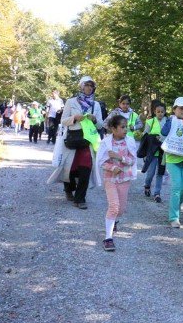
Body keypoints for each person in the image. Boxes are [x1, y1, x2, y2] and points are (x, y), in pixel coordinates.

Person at [55, 76, 103, 209]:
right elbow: (63, 121)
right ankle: (69, 188)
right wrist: (75, 117)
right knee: (70, 168)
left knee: (86, 169)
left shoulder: (96, 105)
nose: (89, 88)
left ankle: (80, 198)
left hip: (88, 141)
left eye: (91, 85)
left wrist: (94, 120)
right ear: (81, 86)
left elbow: (100, 125)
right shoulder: (71, 102)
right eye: (86, 85)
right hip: (73, 138)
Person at [96, 115, 137, 251]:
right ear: (113, 129)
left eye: (126, 127)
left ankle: (115, 221)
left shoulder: (130, 142)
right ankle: (108, 238)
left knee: (121, 209)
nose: (125, 129)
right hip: (110, 178)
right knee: (114, 206)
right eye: (122, 127)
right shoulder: (106, 143)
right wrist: (113, 168)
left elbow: (132, 160)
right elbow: (101, 161)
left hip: (125, 179)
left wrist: (119, 158)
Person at [160, 97, 183, 227]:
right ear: (174, 109)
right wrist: (170, 121)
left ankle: (176, 204)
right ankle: (174, 217)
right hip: (173, 158)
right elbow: (163, 132)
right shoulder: (171, 120)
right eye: (181, 108)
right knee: (176, 187)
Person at [142, 102, 168, 202]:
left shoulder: (168, 122)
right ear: (154, 112)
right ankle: (147, 185)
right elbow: (145, 136)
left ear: (165, 112)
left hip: (163, 152)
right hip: (152, 152)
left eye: (162, 112)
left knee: (160, 173)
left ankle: (157, 193)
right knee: (151, 172)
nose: (160, 113)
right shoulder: (150, 122)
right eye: (158, 112)